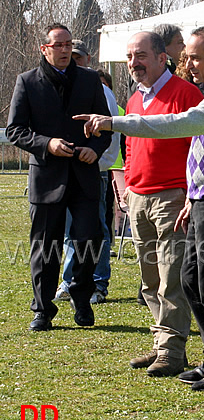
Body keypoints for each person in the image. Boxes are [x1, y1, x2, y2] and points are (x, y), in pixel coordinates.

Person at [76, 25, 204, 392]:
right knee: (192, 280)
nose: (187, 63)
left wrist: (113, 122)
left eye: (195, 57)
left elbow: (177, 124)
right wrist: (193, 195)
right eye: (185, 56)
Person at [6, 23, 112, 331]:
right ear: (45, 49)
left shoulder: (91, 80)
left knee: (90, 239)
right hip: (47, 178)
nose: (65, 50)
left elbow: (103, 125)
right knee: (45, 246)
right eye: (58, 45)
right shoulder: (27, 82)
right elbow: (15, 131)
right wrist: (47, 144)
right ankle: (42, 308)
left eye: (68, 45)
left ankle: (81, 298)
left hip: (84, 175)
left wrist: (95, 147)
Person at [122, 31, 203, 377]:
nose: (133, 63)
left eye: (140, 55)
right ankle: (162, 344)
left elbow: (201, 147)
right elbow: (130, 144)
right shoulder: (133, 100)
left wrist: (189, 192)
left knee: (172, 276)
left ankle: (172, 349)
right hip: (138, 197)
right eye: (129, 57)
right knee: (150, 279)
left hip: (173, 196)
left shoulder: (186, 94)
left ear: (161, 57)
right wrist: (127, 184)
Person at [55, 40, 120, 305]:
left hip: (94, 170)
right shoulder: (60, 86)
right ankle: (70, 281)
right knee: (72, 230)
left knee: (97, 229)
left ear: (87, 59)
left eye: (77, 56)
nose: (73, 60)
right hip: (67, 169)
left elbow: (110, 132)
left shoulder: (100, 89)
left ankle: (98, 281)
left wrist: (99, 161)